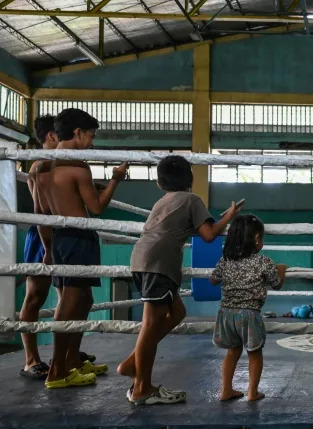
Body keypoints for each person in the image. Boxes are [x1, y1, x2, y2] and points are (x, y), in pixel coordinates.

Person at [118, 155, 241, 405]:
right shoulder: (192, 199)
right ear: (191, 179)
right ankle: (142, 387)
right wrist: (229, 216)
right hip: (158, 264)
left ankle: (133, 362)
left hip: (144, 260)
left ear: (159, 184)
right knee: (150, 325)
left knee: (177, 312)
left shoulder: (163, 202)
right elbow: (208, 235)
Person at [34, 108, 127, 389]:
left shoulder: (41, 166)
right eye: (90, 136)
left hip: (59, 237)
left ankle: (71, 360)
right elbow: (96, 207)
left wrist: (47, 248)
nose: (92, 142)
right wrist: (115, 180)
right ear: (77, 133)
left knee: (83, 300)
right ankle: (57, 371)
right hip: (79, 236)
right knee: (71, 302)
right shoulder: (77, 166)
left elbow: (40, 212)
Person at [209, 215, 287, 401]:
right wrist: (281, 270)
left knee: (232, 351)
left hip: (226, 313)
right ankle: (252, 392)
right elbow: (276, 284)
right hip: (249, 314)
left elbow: (213, 280)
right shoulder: (263, 262)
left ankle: (226, 390)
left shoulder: (225, 260)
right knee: (254, 354)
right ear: (257, 238)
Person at [18, 115, 57, 379]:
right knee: (35, 297)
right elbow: (41, 211)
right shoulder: (42, 164)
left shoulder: (55, 163)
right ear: (53, 136)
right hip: (44, 235)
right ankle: (31, 360)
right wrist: (47, 248)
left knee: (71, 296)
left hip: (58, 233)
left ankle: (67, 354)